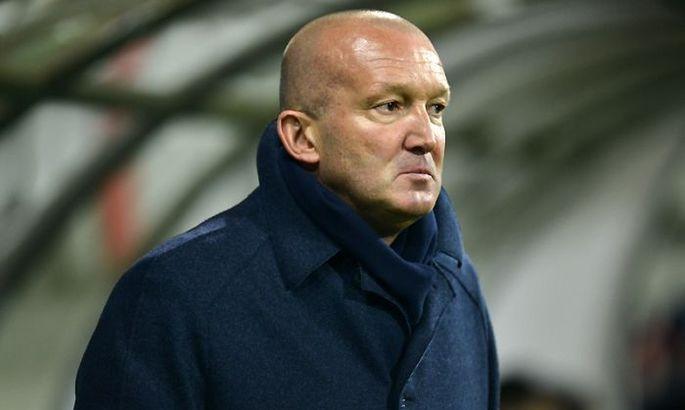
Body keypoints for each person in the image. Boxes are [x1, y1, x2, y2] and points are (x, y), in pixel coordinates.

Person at [75, 10, 499, 409]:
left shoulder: (461, 287)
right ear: (301, 138)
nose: (426, 137)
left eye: (436, 108)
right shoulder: (178, 294)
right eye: (389, 106)